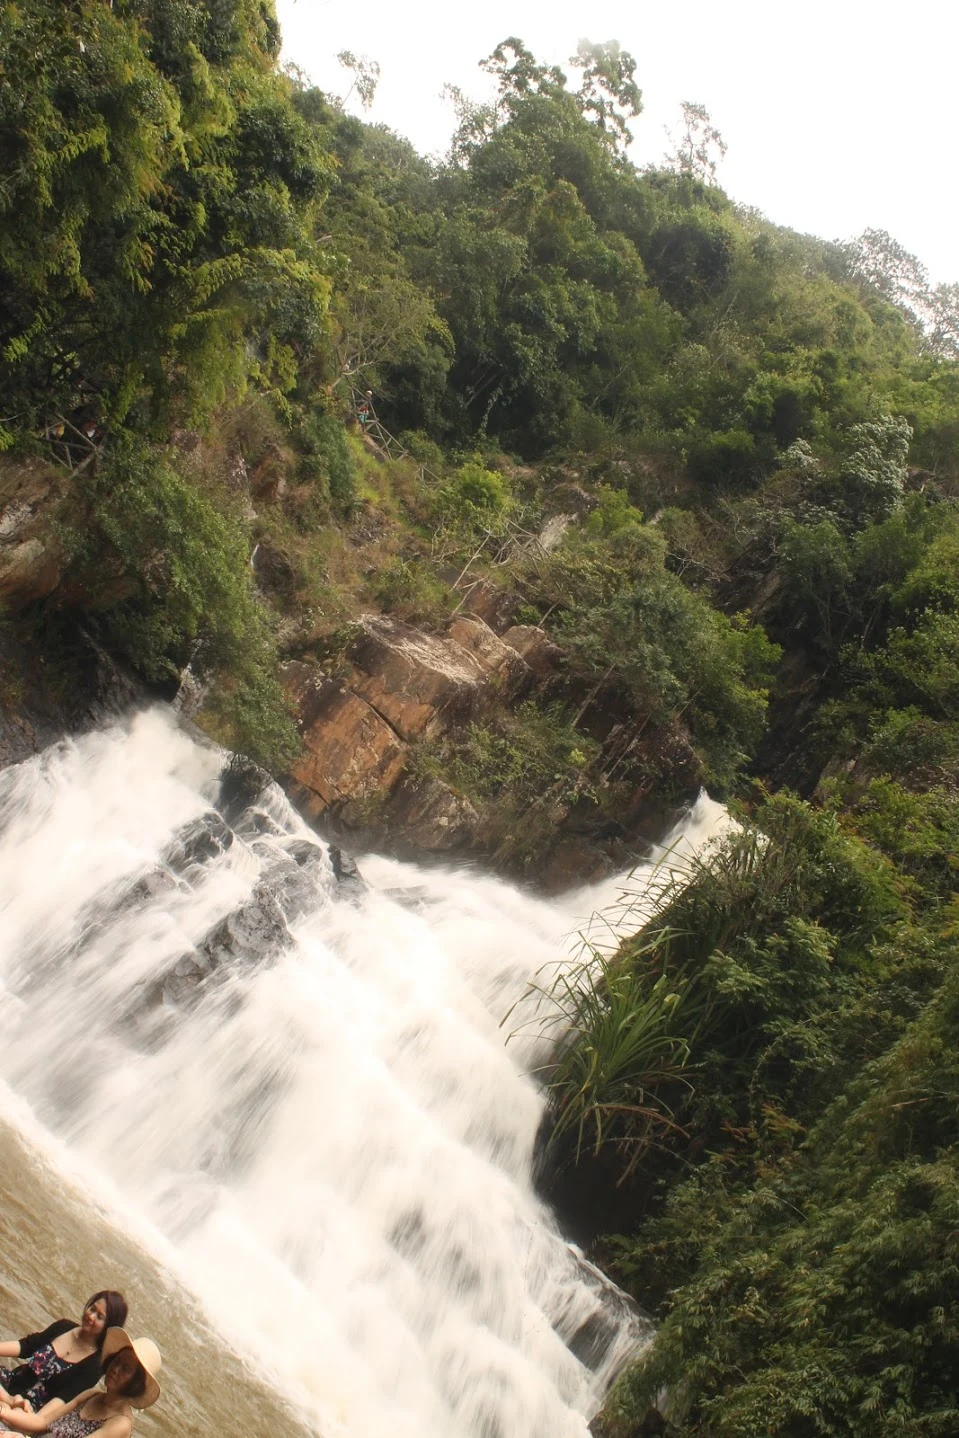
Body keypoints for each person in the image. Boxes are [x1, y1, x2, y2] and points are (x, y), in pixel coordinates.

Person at [0, 1329, 160, 1438]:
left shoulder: (121, 1423)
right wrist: (4, 1412)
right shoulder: (92, 1395)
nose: (115, 1369)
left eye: (125, 1369)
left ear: (136, 1383)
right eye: (117, 1361)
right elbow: (42, 1422)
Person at [0, 1294, 127, 1421]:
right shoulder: (63, 1327)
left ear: (108, 1326)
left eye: (99, 1317)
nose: (91, 1316)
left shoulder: (95, 1365)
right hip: (9, 1383)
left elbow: (62, 1399)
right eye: (92, 1309)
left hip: (29, 1410)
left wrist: (31, 1419)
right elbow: (26, 1346)